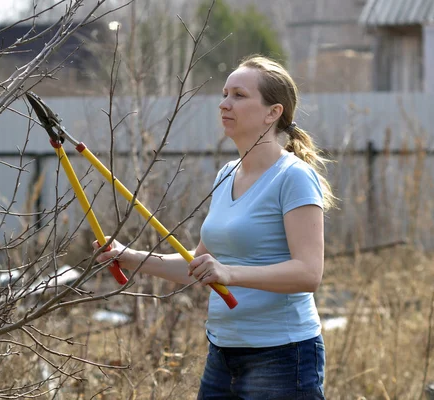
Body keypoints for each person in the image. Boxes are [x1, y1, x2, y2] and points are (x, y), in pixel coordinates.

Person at [92, 55, 335, 399]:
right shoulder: (226, 174)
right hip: (223, 354)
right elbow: (197, 266)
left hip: (282, 356)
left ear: (273, 112)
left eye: (239, 95)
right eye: (224, 94)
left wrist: (231, 274)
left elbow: (308, 274)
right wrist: (127, 256)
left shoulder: (293, 177)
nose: (224, 103)